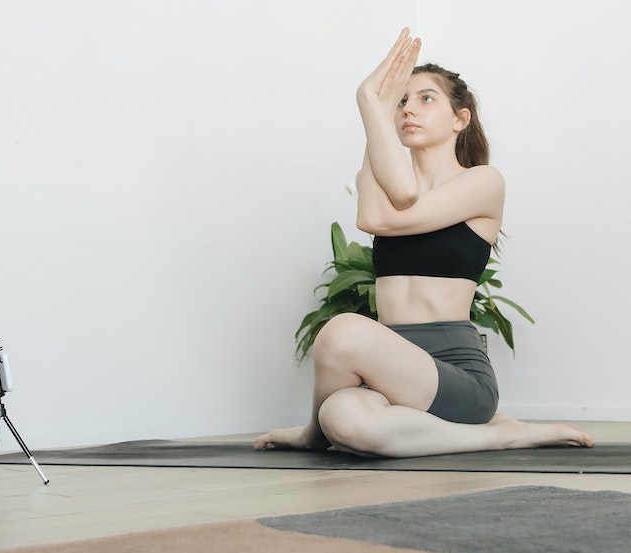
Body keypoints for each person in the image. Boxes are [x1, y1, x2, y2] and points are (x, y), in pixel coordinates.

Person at [254, 29, 593, 458]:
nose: (408, 108)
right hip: (390, 371)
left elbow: (394, 206)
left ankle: (498, 432)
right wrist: (376, 116)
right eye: (400, 101)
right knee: (341, 418)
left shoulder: (483, 183)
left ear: (460, 119)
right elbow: (373, 216)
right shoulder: (377, 178)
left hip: (456, 375)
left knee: (341, 331)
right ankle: (321, 430)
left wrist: (367, 99)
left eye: (426, 98)